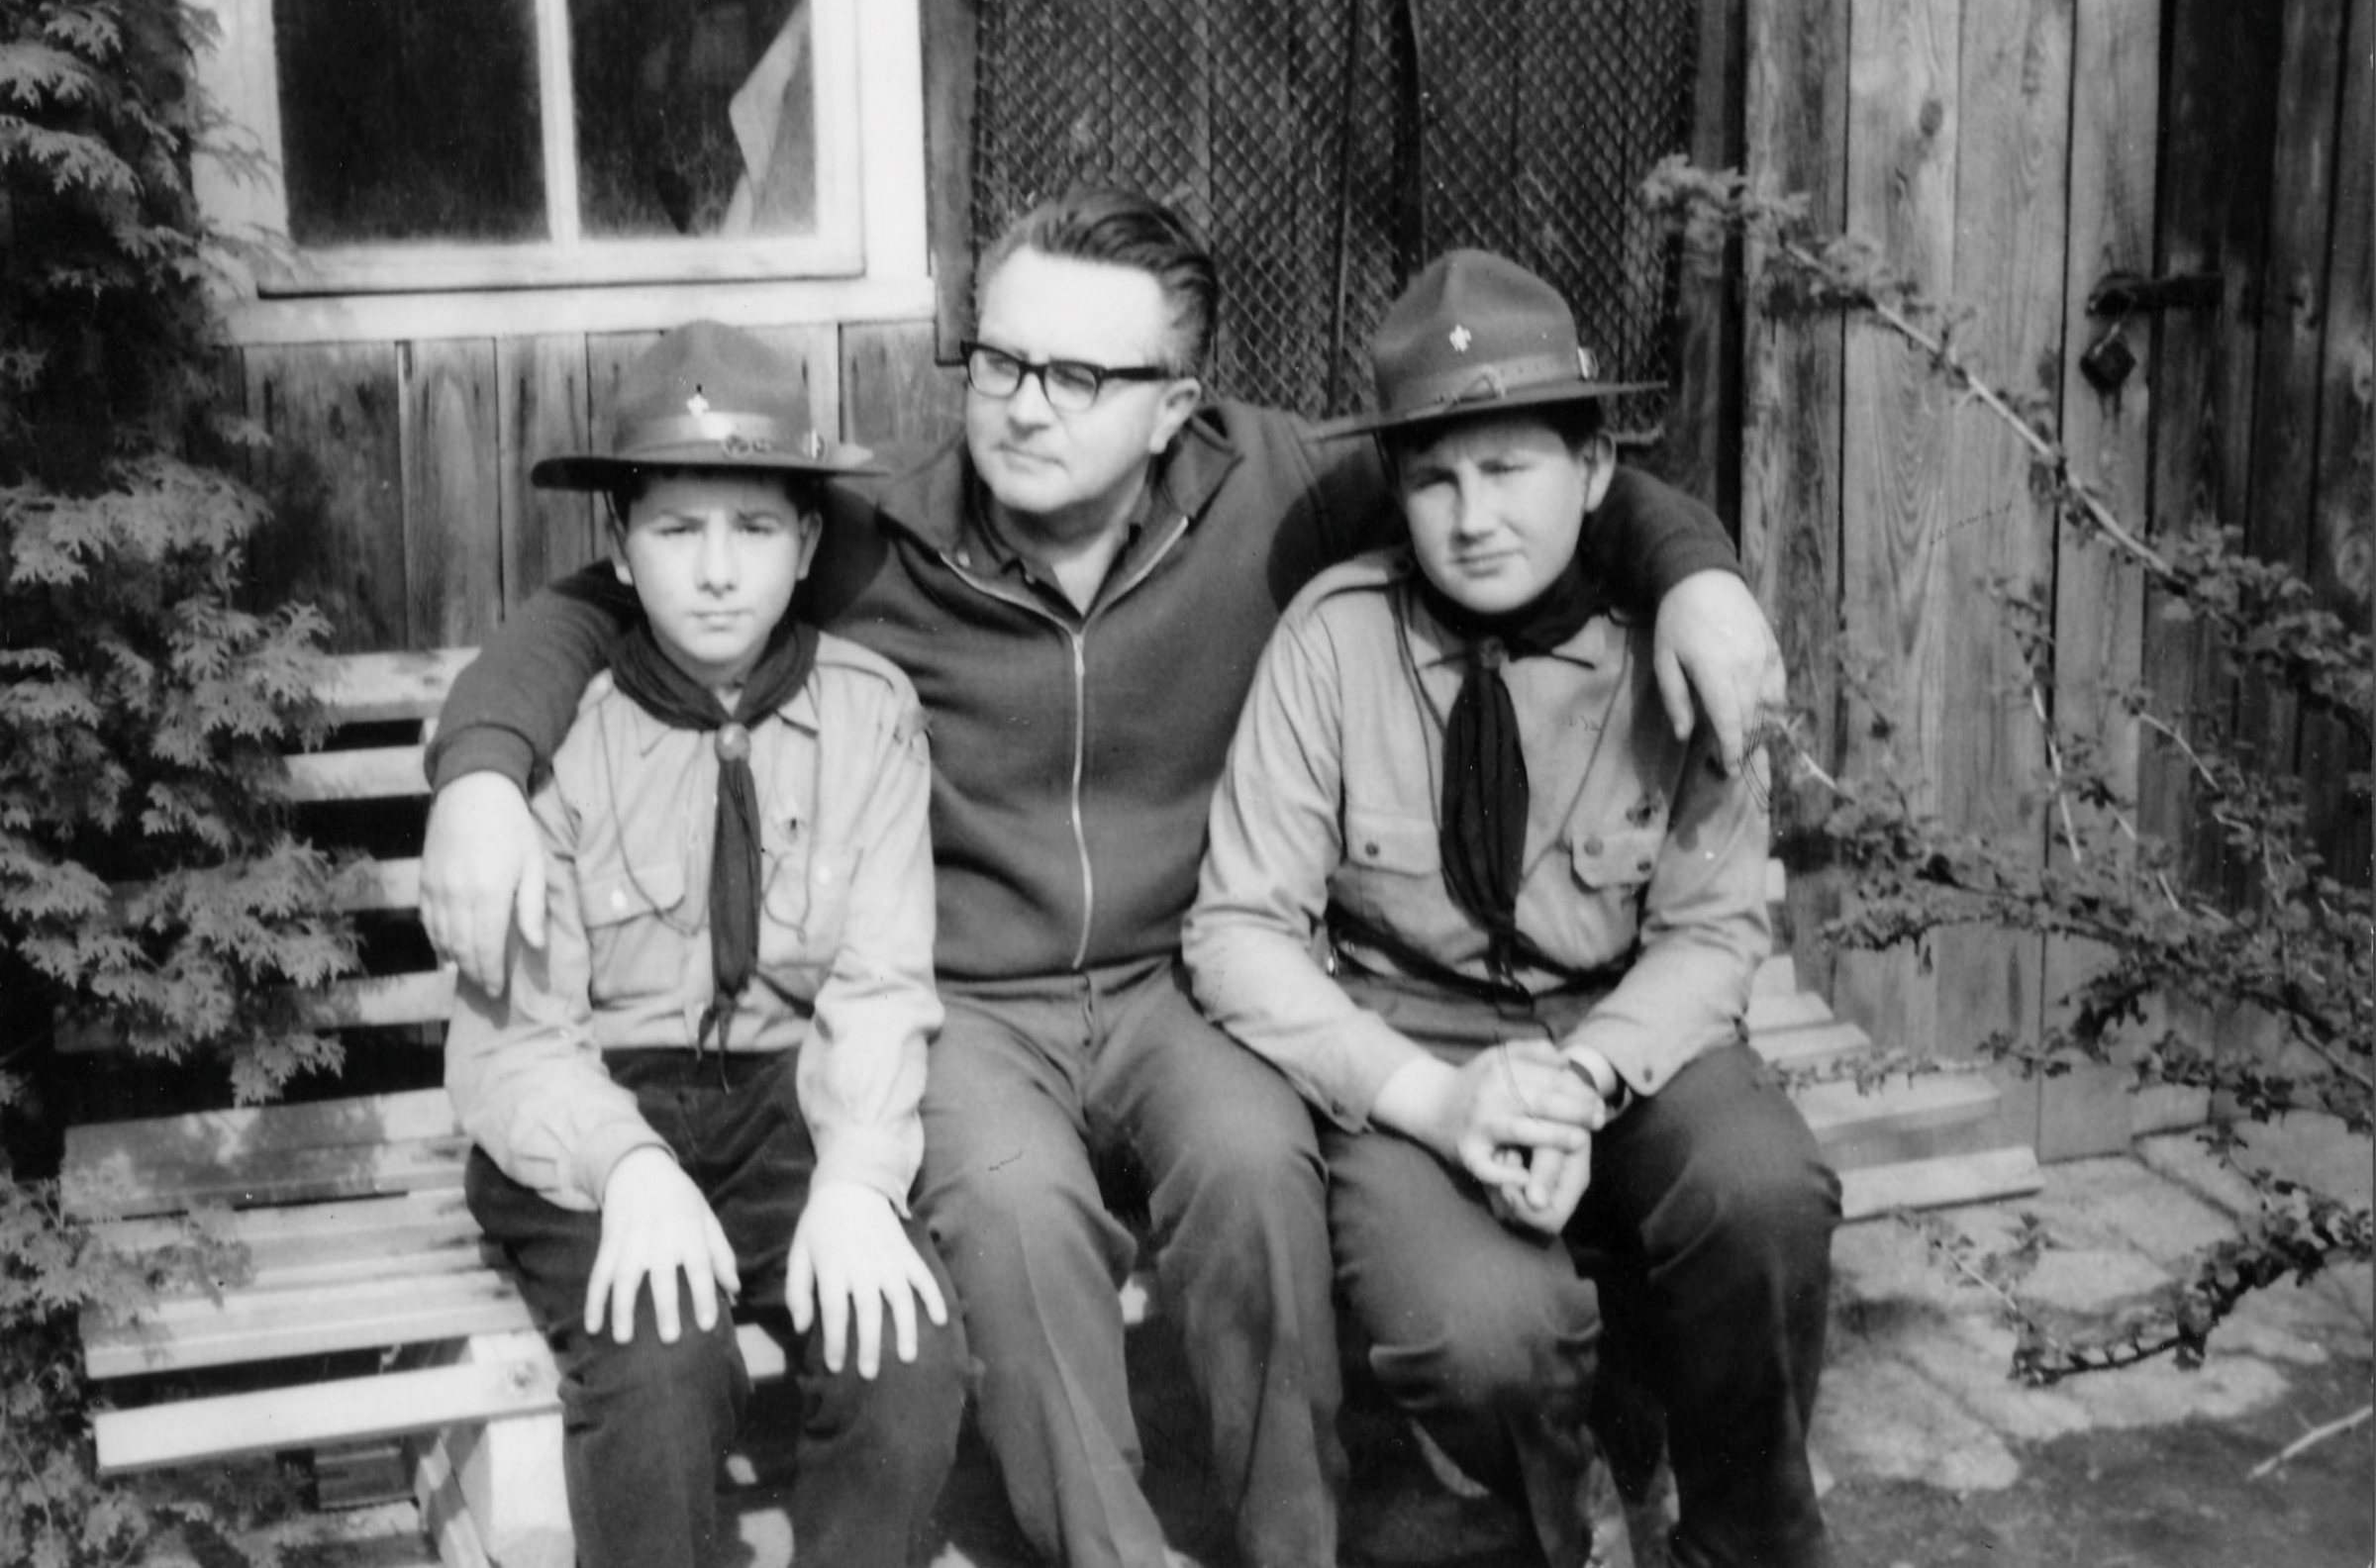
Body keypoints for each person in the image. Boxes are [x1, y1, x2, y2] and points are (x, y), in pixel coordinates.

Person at [419, 189, 1787, 1568]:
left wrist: (1695, 570)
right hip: (974, 1004)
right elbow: (623, 592)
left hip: (1177, 983)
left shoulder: (1274, 493)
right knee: (1016, 1218)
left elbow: (1510, 475)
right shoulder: (874, 532)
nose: (1024, 406)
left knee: (1254, 1176)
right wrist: (481, 769)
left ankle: (1293, 1549)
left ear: (1175, 404)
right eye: (1001, 360)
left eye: (1079, 376)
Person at [1182, 250, 1838, 1568]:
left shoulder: (1676, 648)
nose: (1473, 516)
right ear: (1396, 489)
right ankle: (1563, 1508)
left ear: (1593, 470)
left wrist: (1583, 1079)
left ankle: (1742, 1535)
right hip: (1409, 1038)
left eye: (1510, 468)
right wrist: (1431, 1095)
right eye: (1435, 478)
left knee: (1764, 1196)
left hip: (1626, 1032)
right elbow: (1237, 929)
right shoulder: (1333, 639)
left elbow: (1712, 932)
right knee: (1482, 1337)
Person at [444, 320, 968, 1568]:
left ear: (808, 545)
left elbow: (881, 984)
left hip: (792, 1108)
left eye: (756, 529)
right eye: (678, 530)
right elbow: (513, 1046)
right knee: (659, 1350)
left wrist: (857, 1176)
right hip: (597, 1112)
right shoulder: (552, 736)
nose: (719, 571)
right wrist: (628, 1167)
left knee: (903, 1346)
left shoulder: (869, 718)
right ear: (621, 546)